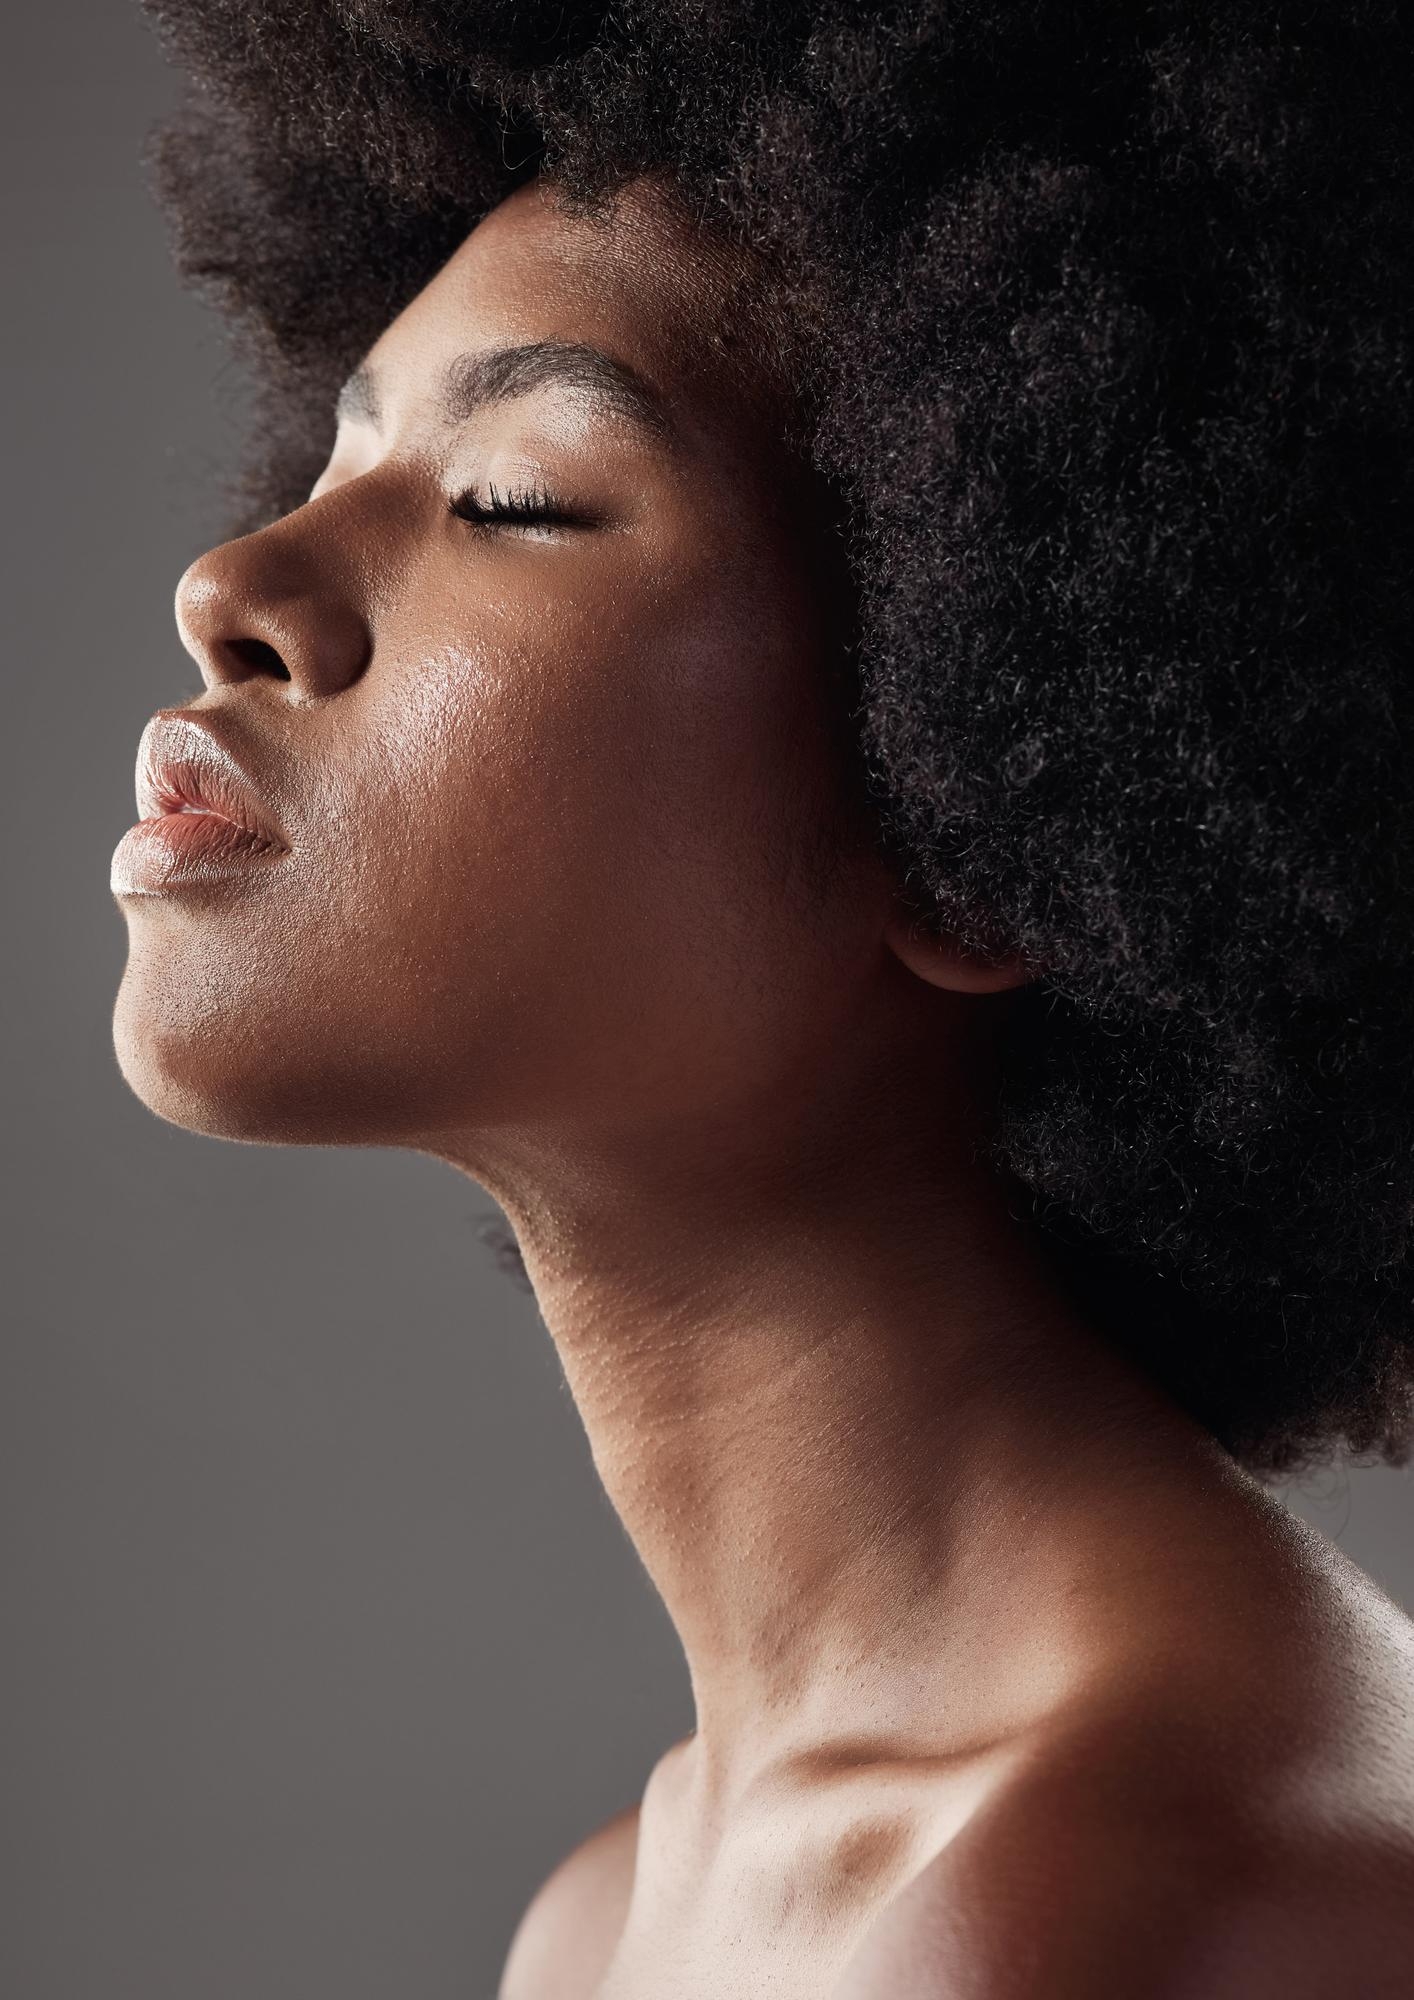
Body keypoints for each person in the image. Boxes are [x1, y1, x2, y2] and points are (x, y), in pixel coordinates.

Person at [112, 3, 1414, 1992]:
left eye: (512, 499)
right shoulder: (609, 1919)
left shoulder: (1146, 1897)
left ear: (980, 803)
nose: (240, 579)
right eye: (342, 443)